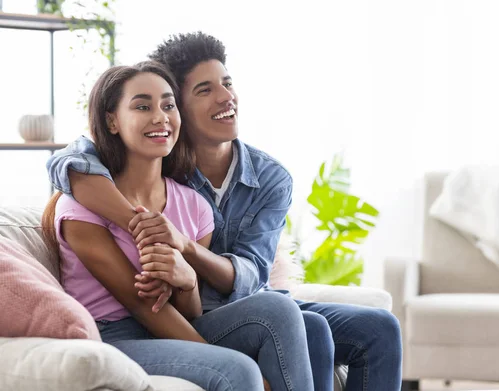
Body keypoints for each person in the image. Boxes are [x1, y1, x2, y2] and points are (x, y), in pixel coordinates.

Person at [47, 32, 402, 391]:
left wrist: (185, 263)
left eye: (227, 83)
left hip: (232, 308)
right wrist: (140, 225)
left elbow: (243, 276)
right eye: (204, 90)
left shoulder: (239, 187)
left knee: (362, 327)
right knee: (256, 355)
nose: (225, 97)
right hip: (130, 329)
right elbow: (71, 161)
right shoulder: (104, 183)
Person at [42, 61, 314, 391]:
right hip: (113, 336)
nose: (160, 117)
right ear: (112, 120)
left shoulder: (194, 206)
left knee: (279, 308)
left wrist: (187, 283)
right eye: (143, 106)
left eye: (168, 105)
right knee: (237, 371)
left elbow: (190, 312)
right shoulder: (81, 205)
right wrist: (218, 357)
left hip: (172, 327)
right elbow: (141, 303)